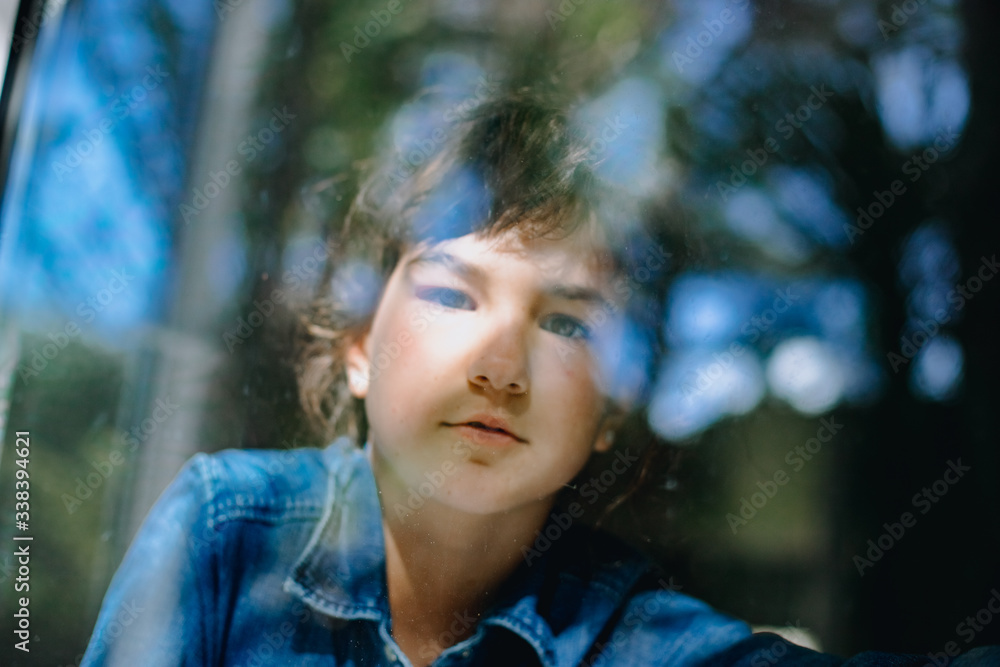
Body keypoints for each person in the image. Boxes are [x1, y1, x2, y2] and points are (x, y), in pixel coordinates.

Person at [81, 89, 998, 667]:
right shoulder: (227, 536)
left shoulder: (628, 630)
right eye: (452, 294)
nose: (501, 364)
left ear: (605, 410)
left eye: (564, 321)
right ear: (357, 344)